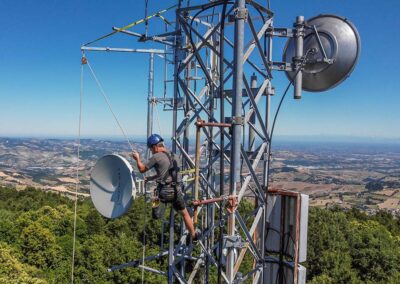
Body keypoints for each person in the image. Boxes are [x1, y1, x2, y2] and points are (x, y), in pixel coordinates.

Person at [132, 134, 199, 241]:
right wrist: (151, 178)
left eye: (151, 149)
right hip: (176, 191)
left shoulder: (156, 157)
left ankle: (156, 213)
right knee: (185, 214)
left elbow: (142, 169)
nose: (151, 151)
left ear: (154, 147)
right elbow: (166, 173)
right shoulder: (175, 156)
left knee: (155, 193)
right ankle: (194, 235)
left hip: (164, 192)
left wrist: (137, 158)